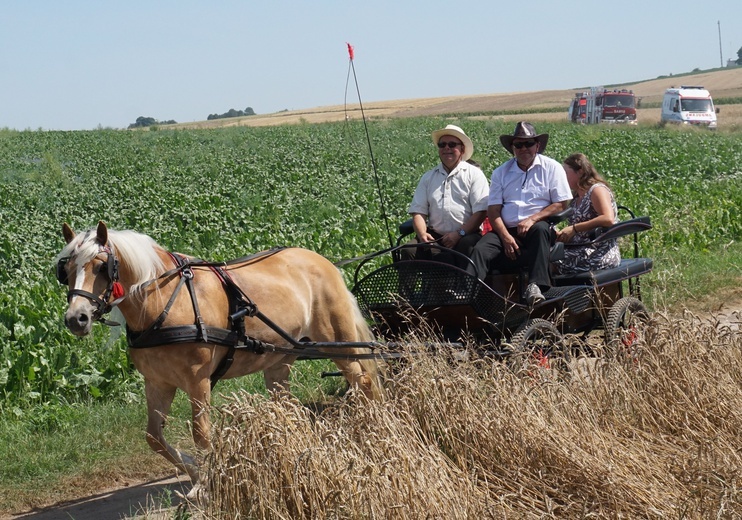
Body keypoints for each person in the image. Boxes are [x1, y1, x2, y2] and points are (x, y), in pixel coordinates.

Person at [467, 122, 572, 306]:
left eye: (528, 143)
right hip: (506, 229)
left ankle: (536, 286)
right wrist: (506, 236)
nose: (524, 148)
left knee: (540, 230)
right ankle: (469, 292)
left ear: (537, 146)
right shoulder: (501, 172)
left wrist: (532, 219)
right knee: (481, 248)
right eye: (518, 145)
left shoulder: (552, 168)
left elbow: (561, 204)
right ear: (512, 148)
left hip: (538, 226)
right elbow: (493, 211)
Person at [403, 124, 489, 268]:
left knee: (467, 246)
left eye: (452, 144)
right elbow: (418, 212)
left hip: (466, 234)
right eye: (442, 145)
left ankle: (464, 288)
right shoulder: (428, 177)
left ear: (462, 149)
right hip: (435, 235)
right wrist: (423, 234)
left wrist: (459, 234)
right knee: (408, 250)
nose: (446, 148)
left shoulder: (474, 175)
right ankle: (406, 291)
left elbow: (481, 212)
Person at [554, 153, 620, 274]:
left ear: (580, 171)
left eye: (565, 174)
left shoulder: (596, 190)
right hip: (578, 249)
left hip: (598, 252)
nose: (562, 178)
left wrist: (574, 228)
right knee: (543, 255)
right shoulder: (575, 198)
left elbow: (608, 219)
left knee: (550, 260)